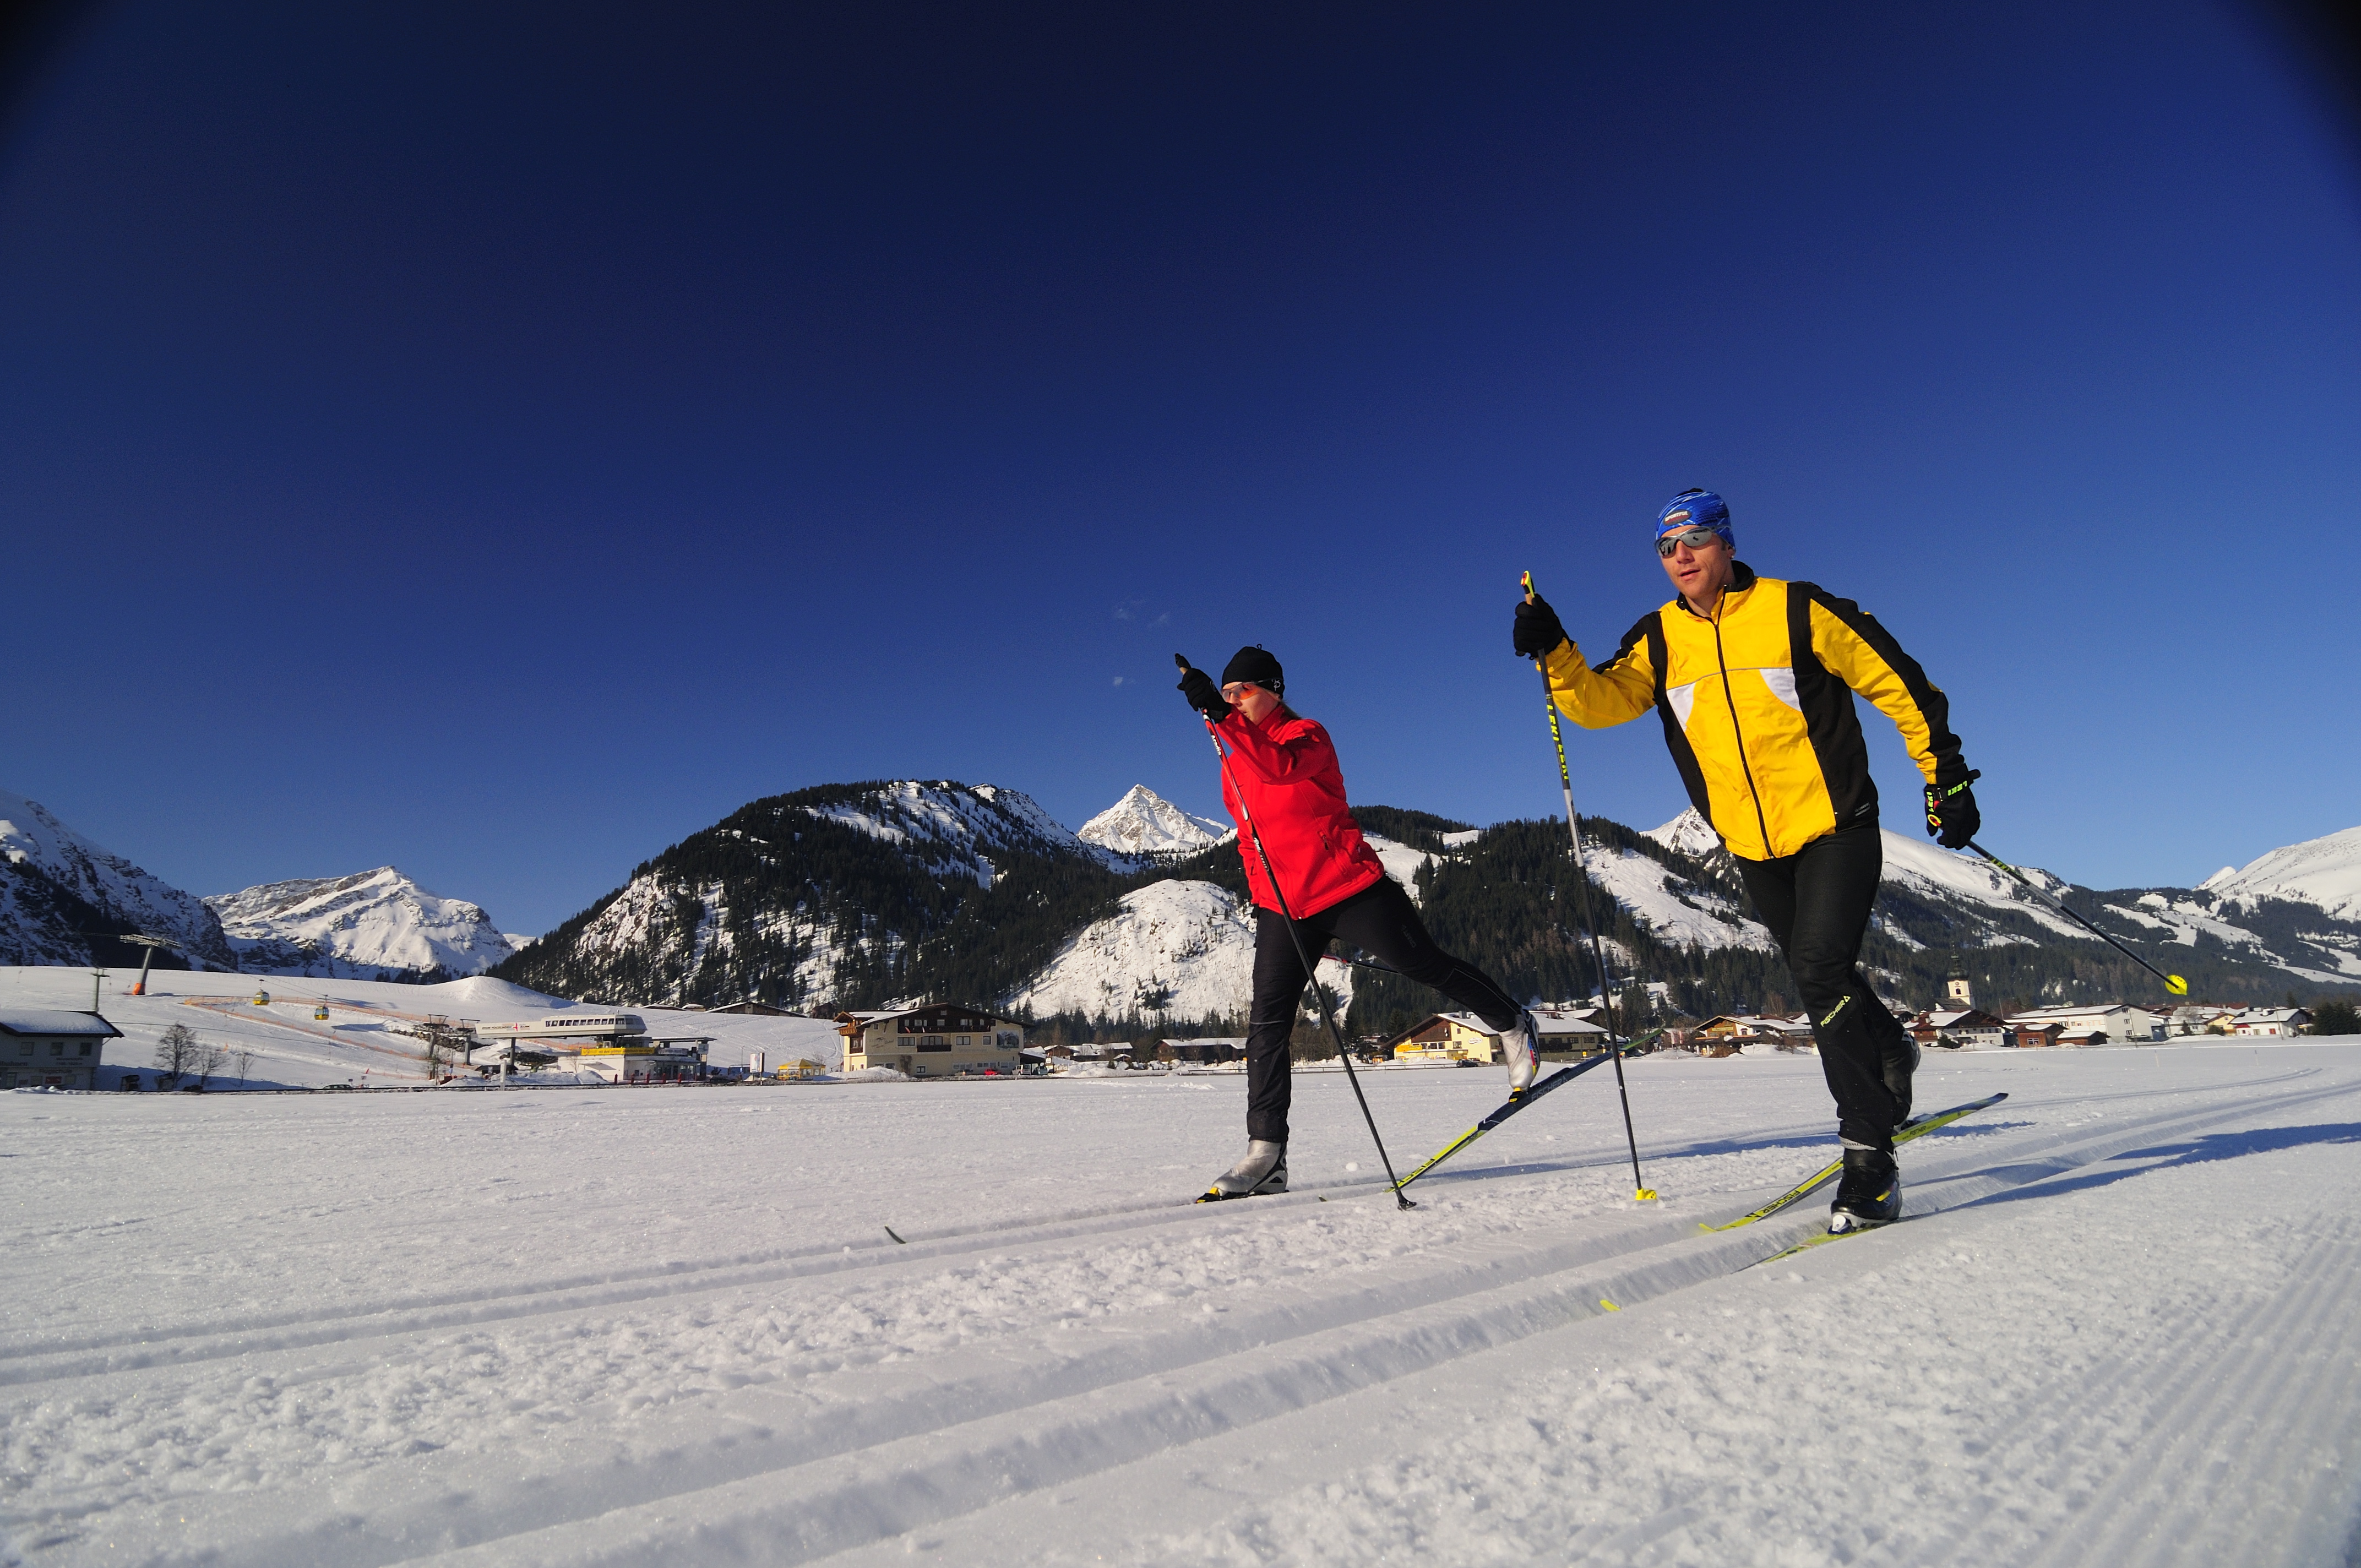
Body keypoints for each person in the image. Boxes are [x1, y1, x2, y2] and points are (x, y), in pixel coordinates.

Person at [1510, 489, 1981, 1232]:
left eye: (1695, 538)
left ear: (1726, 542)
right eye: (1667, 548)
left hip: (1836, 823)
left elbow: (1898, 682)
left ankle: (1870, 1160)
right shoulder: (1659, 638)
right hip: (1750, 843)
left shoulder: (1797, 609)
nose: (1682, 556)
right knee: (1816, 970)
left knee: (1821, 970)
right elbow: (1602, 703)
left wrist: (1943, 772)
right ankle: (1887, 1042)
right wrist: (1558, 650)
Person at [1176, 645, 1540, 1200]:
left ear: (1272, 690)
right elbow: (1250, 833)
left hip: (1346, 886)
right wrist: (1262, 891)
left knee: (1421, 962)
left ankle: (1512, 1022)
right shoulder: (1232, 756)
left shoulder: (1306, 736)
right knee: (1267, 1022)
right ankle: (1265, 1155)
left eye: (1241, 690)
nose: (1232, 701)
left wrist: (1222, 720)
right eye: (1225, 694)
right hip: (1284, 903)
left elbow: (1276, 770)